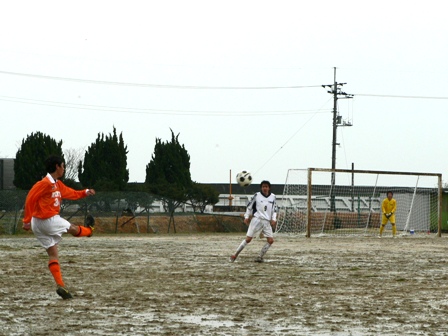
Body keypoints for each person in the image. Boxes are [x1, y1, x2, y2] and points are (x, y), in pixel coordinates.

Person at [22, 155, 96, 299]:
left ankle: (61, 286)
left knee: (53, 254)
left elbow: (71, 193)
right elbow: (30, 198)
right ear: (57, 166)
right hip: (47, 220)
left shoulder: (57, 184)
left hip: (38, 224)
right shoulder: (45, 183)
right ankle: (89, 230)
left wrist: (85, 192)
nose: (64, 168)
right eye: (63, 166)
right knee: (74, 229)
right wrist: (26, 220)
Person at [230, 180, 277, 263]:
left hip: (266, 222)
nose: (265, 188)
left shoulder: (273, 196)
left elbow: (275, 209)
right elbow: (249, 207)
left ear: (269, 188)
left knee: (270, 241)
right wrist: (246, 216)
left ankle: (260, 257)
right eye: (263, 187)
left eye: (266, 187)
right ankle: (235, 255)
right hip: (256, 219)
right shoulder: (257, 196)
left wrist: (274, 219)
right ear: (261, 188)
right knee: (248, 239)